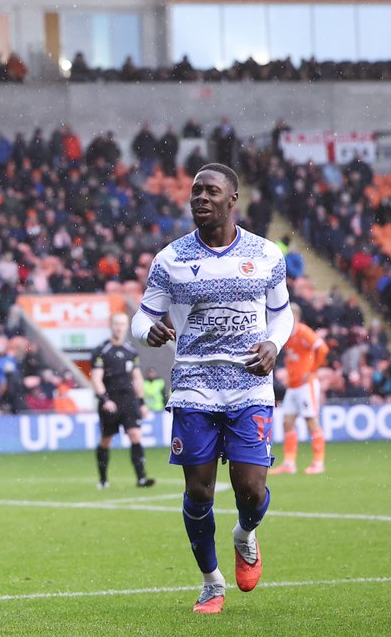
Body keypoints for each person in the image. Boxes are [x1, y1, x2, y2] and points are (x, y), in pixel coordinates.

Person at [131, 163, 294, 615]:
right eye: (195, 191)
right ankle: (210, 582)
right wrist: (150, 332)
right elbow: (141, 317)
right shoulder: (171, 259)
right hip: (194, 386)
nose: (200, 197)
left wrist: (273, 343)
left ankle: (245, 534)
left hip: (249, 384)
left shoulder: (264, 255)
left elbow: (282, 313)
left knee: (252, 490)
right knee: (200, 493)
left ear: (232, 199)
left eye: (211, 191)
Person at [90, 311, 155, 490]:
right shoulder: (101, 351)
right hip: (110, 400)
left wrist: (141, 402)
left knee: (135, 435)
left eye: (122, 324)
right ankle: (103, 480)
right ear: (111, 326)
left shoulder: (131, 351)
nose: (119, 327)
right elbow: (96, 378)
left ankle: (141, 478)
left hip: (129, 400)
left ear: (127, 327)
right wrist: (105, 400)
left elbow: (137, 377)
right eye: (116, 323)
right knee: (106, 440)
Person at [270, 305, 329, 476]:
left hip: (306, 384)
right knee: (287, 422)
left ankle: (318, 463)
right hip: (293, 385)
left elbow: (323, 348)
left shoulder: (303, 331)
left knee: (311, 420)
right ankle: (289, 463)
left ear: (295, 315)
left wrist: (312, 371)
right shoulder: (288, 334)